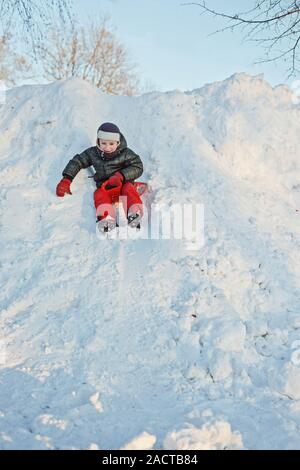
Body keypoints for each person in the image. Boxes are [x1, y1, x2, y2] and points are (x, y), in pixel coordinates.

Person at [56, 122, 144, 232]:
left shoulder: (125, 153)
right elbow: (77, 161)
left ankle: (134, 213)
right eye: (104, 143)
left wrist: (121, 175)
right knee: (98, 194)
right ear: (98, 141)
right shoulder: (93, 153)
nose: (107, 147)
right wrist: (67, 179)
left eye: (111, 144)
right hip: (105, 187)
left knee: (128, 189)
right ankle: (106, 219)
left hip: (123, 183)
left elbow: (138, 166)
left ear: (118, 142)